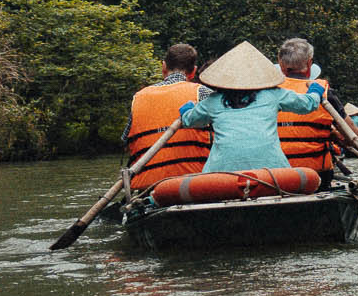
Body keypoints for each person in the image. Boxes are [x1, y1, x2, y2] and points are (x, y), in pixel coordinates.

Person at [180, 41, 324, 173]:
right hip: (272, 168)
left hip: (222, 170)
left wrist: (187, 108)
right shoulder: (273, 94)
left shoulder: (213, 101)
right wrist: (315, 89)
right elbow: (308, 104)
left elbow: (188, 120)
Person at [124, 42, 210, 190]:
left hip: (148, 186)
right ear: (193, 71)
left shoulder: (138, 97)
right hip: (195, 184)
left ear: (164, 67)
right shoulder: (203, 93)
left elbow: (126, 140)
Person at [275, 37, 339, 186]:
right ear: (309, 63)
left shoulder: (266, 92)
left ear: (281, 64)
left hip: (274, 174)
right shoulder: (324, 91)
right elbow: (354, 135)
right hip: (317, 174)